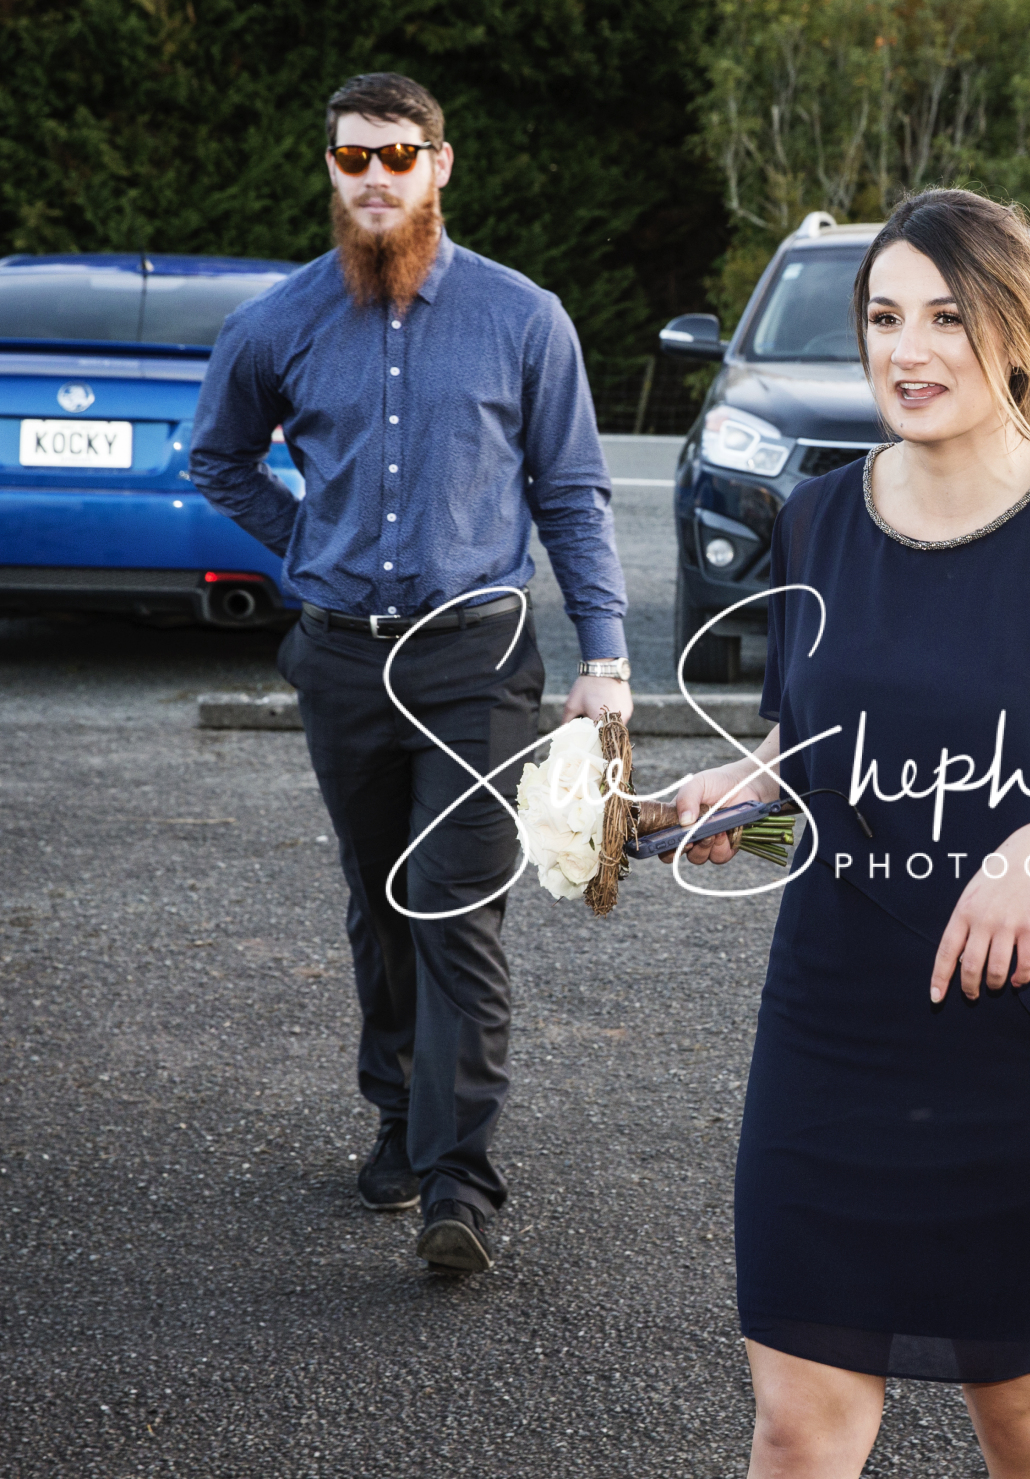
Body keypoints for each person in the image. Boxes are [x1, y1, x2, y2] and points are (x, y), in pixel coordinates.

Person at [666, 189, 1030, 1478]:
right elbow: (815, 755)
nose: (908, 350)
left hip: (1020, 1037)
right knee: (798, 1423)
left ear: (1016, 332)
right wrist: (734, 799)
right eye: (884, 319)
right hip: (832, 1025)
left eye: (946, 317)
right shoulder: (816, 521)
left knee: (1022, 1419)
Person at [189, 73, 632, 1272]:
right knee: (380, 899)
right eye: (354, 157)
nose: (375, 175)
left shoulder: (523, 317)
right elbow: (216, 459)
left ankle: (458, 1182)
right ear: (331, 169)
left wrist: (605, 658)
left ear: (440, 163)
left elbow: (573, 493)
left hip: (475, 662)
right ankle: (396, 1112)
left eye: (398, 153)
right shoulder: (276, 323)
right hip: (339, 660)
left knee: (454, 905)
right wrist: (311, 545)